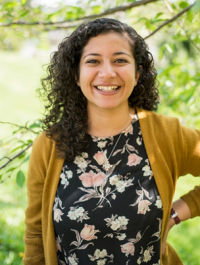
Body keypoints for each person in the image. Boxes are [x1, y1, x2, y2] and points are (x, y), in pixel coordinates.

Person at [23, 18, 200, 265]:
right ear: (76, 74)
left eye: (120, 60)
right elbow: (35, 236)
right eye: (93, 61)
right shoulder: (50, 144)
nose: (107, 73)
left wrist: (177, 212)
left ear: (137, 73)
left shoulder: (168, 135)